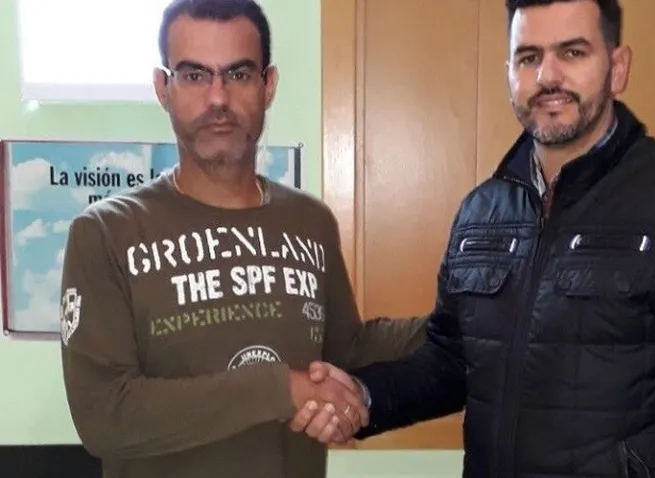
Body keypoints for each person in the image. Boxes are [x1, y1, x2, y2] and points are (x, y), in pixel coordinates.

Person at [289, 0, 655, 477]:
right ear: (510, 73)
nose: (547, 76)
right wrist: (363, 396)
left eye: (572, 53)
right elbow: (452, 361)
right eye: (529, 57)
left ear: (618, 67)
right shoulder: (480, 213)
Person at [58, 1, 425, 477]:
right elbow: (105, 415)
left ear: (267, 85)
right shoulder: (106, 233)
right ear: (163, 87)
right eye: (194, 75)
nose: (218, 98)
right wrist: (280, 390)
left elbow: (346, 350)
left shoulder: (310, 222)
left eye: (238, 74)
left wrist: (465, 317)